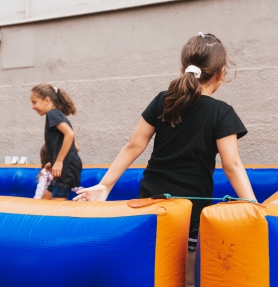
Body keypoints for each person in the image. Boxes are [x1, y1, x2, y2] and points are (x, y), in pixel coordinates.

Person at [74, 32, 257, 287]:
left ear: (183, 68)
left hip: (151, 201)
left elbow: (134, 145)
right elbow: (232, 164)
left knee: (149, 270)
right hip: (190, 211)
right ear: (221, 73)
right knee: (187, 276)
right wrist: (253, 204)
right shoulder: (221, 113)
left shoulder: (164, 100)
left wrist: (106, 185)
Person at [30, 84, 82, 201]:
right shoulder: (58, 115)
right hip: (66, 166)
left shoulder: (52, 114)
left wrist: (59, 161)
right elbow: (76, 147)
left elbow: (70, 134)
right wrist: (53, 161)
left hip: (65, 168)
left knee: (57, 206)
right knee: (45, 200)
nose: (32, 106)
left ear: (47, 100)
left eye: (34, 102)